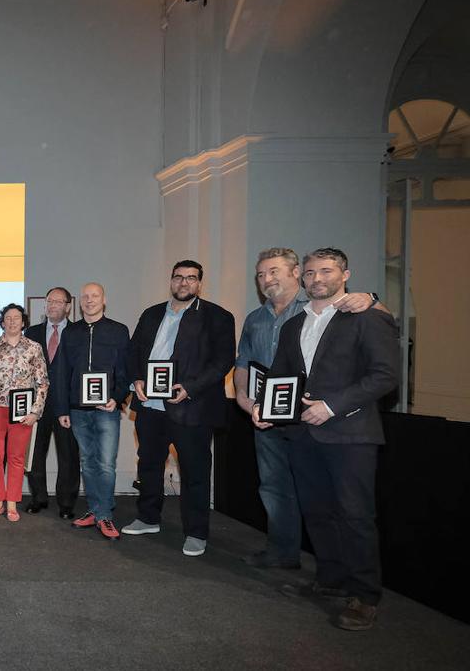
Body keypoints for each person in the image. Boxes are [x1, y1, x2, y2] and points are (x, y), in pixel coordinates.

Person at [253, 248, 399, 631]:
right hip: (302, 434)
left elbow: (385, 376)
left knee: (355, 515)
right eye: (311, 272)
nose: (317, 278)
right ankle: (332, 579)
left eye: (327, 271)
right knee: (317, 511)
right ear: (302, 277)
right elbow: (282, 376)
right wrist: (266, 408)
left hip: (351, 435)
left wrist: (331, 406)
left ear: (345, 274)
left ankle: (365, 596)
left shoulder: (366, 317)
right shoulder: (293, 325)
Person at [234, 248, 379, 569]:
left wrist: (371, 297)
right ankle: (283, 553)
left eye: (274, 271)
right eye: (261, 274)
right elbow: (243, 362)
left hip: (313, 420)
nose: (266, 279)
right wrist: (244, 399)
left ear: (296, 273)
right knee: (274, 487)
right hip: (267, 417)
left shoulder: (321, 307)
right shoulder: (255, 319)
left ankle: (346, 578)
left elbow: (376, 318)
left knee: (328, 499)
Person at [122, 260, 235, 557]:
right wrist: (136, 379)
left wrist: (191, 387)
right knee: (148, 464)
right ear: (171, 280)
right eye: (178, 277)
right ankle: (148, 518)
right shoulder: (151, 314)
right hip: (150, 406)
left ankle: (196, 532)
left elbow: (223, 361)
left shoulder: (217, 317)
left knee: (195, 472)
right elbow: (133, 351)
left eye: (191, 278)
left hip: (191, 407)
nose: (184, 283)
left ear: (199, 283)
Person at [51, 283, 130, 540]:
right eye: (85, 296)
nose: (89, 300)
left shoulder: (119, 331)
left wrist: (117, 398)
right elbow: (62, 372)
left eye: (94, 296)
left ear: (103, 300)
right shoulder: (70, 332)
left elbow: (125, 370)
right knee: (87, 462)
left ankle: (104, 514)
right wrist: (62, 409)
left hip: (107, 409)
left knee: (105, 464)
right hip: (77, 411)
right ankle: (96, 511)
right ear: (79, 302)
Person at [0, 304, 47, 522]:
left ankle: (12, 502)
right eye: (8, 317)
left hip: (21, 412)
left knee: (16, 458)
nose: (12, 321)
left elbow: (42, 382)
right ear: (2, 322)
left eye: (17, 318)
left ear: (23, 322)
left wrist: (35, 412)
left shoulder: (34, 348)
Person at [23, 287, 80, 518]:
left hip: (67, 405)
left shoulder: (78, 332)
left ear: (68, 306)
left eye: (58, 301)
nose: (52, 305)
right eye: (49, 301)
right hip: (37, 405)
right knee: (35, 453)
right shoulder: (31, 332)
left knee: (68, 455)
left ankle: (66, 503)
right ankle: (38, 498)